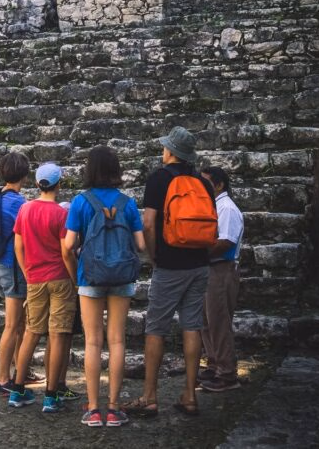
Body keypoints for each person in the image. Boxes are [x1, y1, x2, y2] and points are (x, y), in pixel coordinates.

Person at [123, 126, 215, 418]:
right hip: (199, 263)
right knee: (192, 325)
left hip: (170, 264)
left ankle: (149, 396)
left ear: (171, 152)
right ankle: (189, 394)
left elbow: (148, 223)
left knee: (156, 328)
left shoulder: (159, 178)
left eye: (165, 147)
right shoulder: (204, 182)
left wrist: (154, 256)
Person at [63, 146, 146, 427]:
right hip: (122, 277)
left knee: (93, 342)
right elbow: (141, 245)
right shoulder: (128, 202)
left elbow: (68, 245)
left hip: (90, 276)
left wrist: (77, 276)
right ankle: (113, 408)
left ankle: (93, 409)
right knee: (117, 340)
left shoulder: (80, 202)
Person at [8, 163, 76, 413]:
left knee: (31, 333)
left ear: (37, 184)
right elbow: (66, 251)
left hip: (35, 278)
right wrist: (74, 279)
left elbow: (18, 247)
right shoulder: (61, 213)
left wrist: (28, 274)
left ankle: (17, 389)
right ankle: (51, 395)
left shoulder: (25, 210)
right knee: (58, 334)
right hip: (60, 278)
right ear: (59, 184)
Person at [0, 151, 32, 397]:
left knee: (19, 324)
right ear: (24, 176)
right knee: (12, 324)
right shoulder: (19, 203)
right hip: (13, 267)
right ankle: (3, 379)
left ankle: (21, 370)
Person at [199, 166, 244, 392]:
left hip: (221, 268)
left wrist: (198, 252)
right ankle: (214, 363)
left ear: (219, 185)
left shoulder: (226, 208)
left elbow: (225, 241)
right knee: (207, 321)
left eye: (206, 183)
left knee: (219, 321)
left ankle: (227, 373)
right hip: (211, 268)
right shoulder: (214, 206)